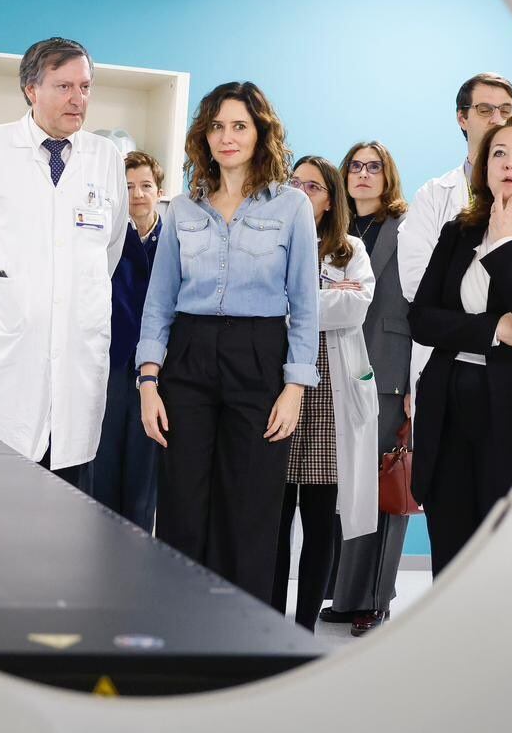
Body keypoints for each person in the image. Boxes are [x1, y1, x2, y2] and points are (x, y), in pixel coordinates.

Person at [136, 81, 319, 604]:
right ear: (204, 135)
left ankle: (243, 640)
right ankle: (177, 626)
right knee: (182, 504)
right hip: (188, 358)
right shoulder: (183, 210)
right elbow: (158, 303)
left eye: (239, 125)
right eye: (217, 126)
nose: (227, 137)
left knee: (251, 505)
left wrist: (295, 388)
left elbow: (305, 305)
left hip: (260, 358)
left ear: (261, 132)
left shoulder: (291, 208)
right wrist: (149, 382)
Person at [0, 37, 127, 487]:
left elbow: (109, 251)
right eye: (64, 87)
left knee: (67, 494)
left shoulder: (106, 158)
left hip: (77, 354)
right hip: (5, 354)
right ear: (31, 89)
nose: (78, 99)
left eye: (85, 87)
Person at [407, 113, 512, 576]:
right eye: (499, 153)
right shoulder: (458, 232)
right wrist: (494, 329)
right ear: (484, 166)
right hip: (449, 402)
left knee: (504, 557)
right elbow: (421, 319)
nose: (509, 163)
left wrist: (504, 248)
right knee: (451, 551)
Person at [269, 155, 378, 632]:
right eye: (294, 182)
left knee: (318, 522)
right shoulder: (270, 241)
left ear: (331, 198)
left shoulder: (349, 248)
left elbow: (353, 310)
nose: (301, 191)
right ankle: (268, 620)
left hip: (330, 396)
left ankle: (304, 626)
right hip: (279, 390)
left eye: (313, 186)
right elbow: (265, 308)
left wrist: (298, 299)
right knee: (273, 521)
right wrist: (320, 296)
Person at [319, 140, 412, 636]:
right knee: (345, 489)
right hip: (336, 368)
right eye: (355, 167)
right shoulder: (332, 229)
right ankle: (344, 594)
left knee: (382, 488)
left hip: (389, 372)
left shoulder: (408, 226)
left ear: (387, 175)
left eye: (374, 167)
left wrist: (415, 382)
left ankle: (375, 598)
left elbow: (418, 301)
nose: (363, 175)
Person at [398, 74, 512, 406]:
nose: (497, 119)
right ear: (462, 117)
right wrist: (494, 323)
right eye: (484, 109)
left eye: (506, 110)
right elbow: (417, 284)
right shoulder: (434, 196)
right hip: (446, 363)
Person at [90, 150, 165, 531]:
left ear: (159, 190)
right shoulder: (105, 238)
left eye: (146, 186)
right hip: (108, 364)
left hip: (154, 374)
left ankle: (135, 565)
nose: (137, 194)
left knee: (143, 475)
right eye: (128, 186)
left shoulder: (173, 243)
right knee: (101, 470)